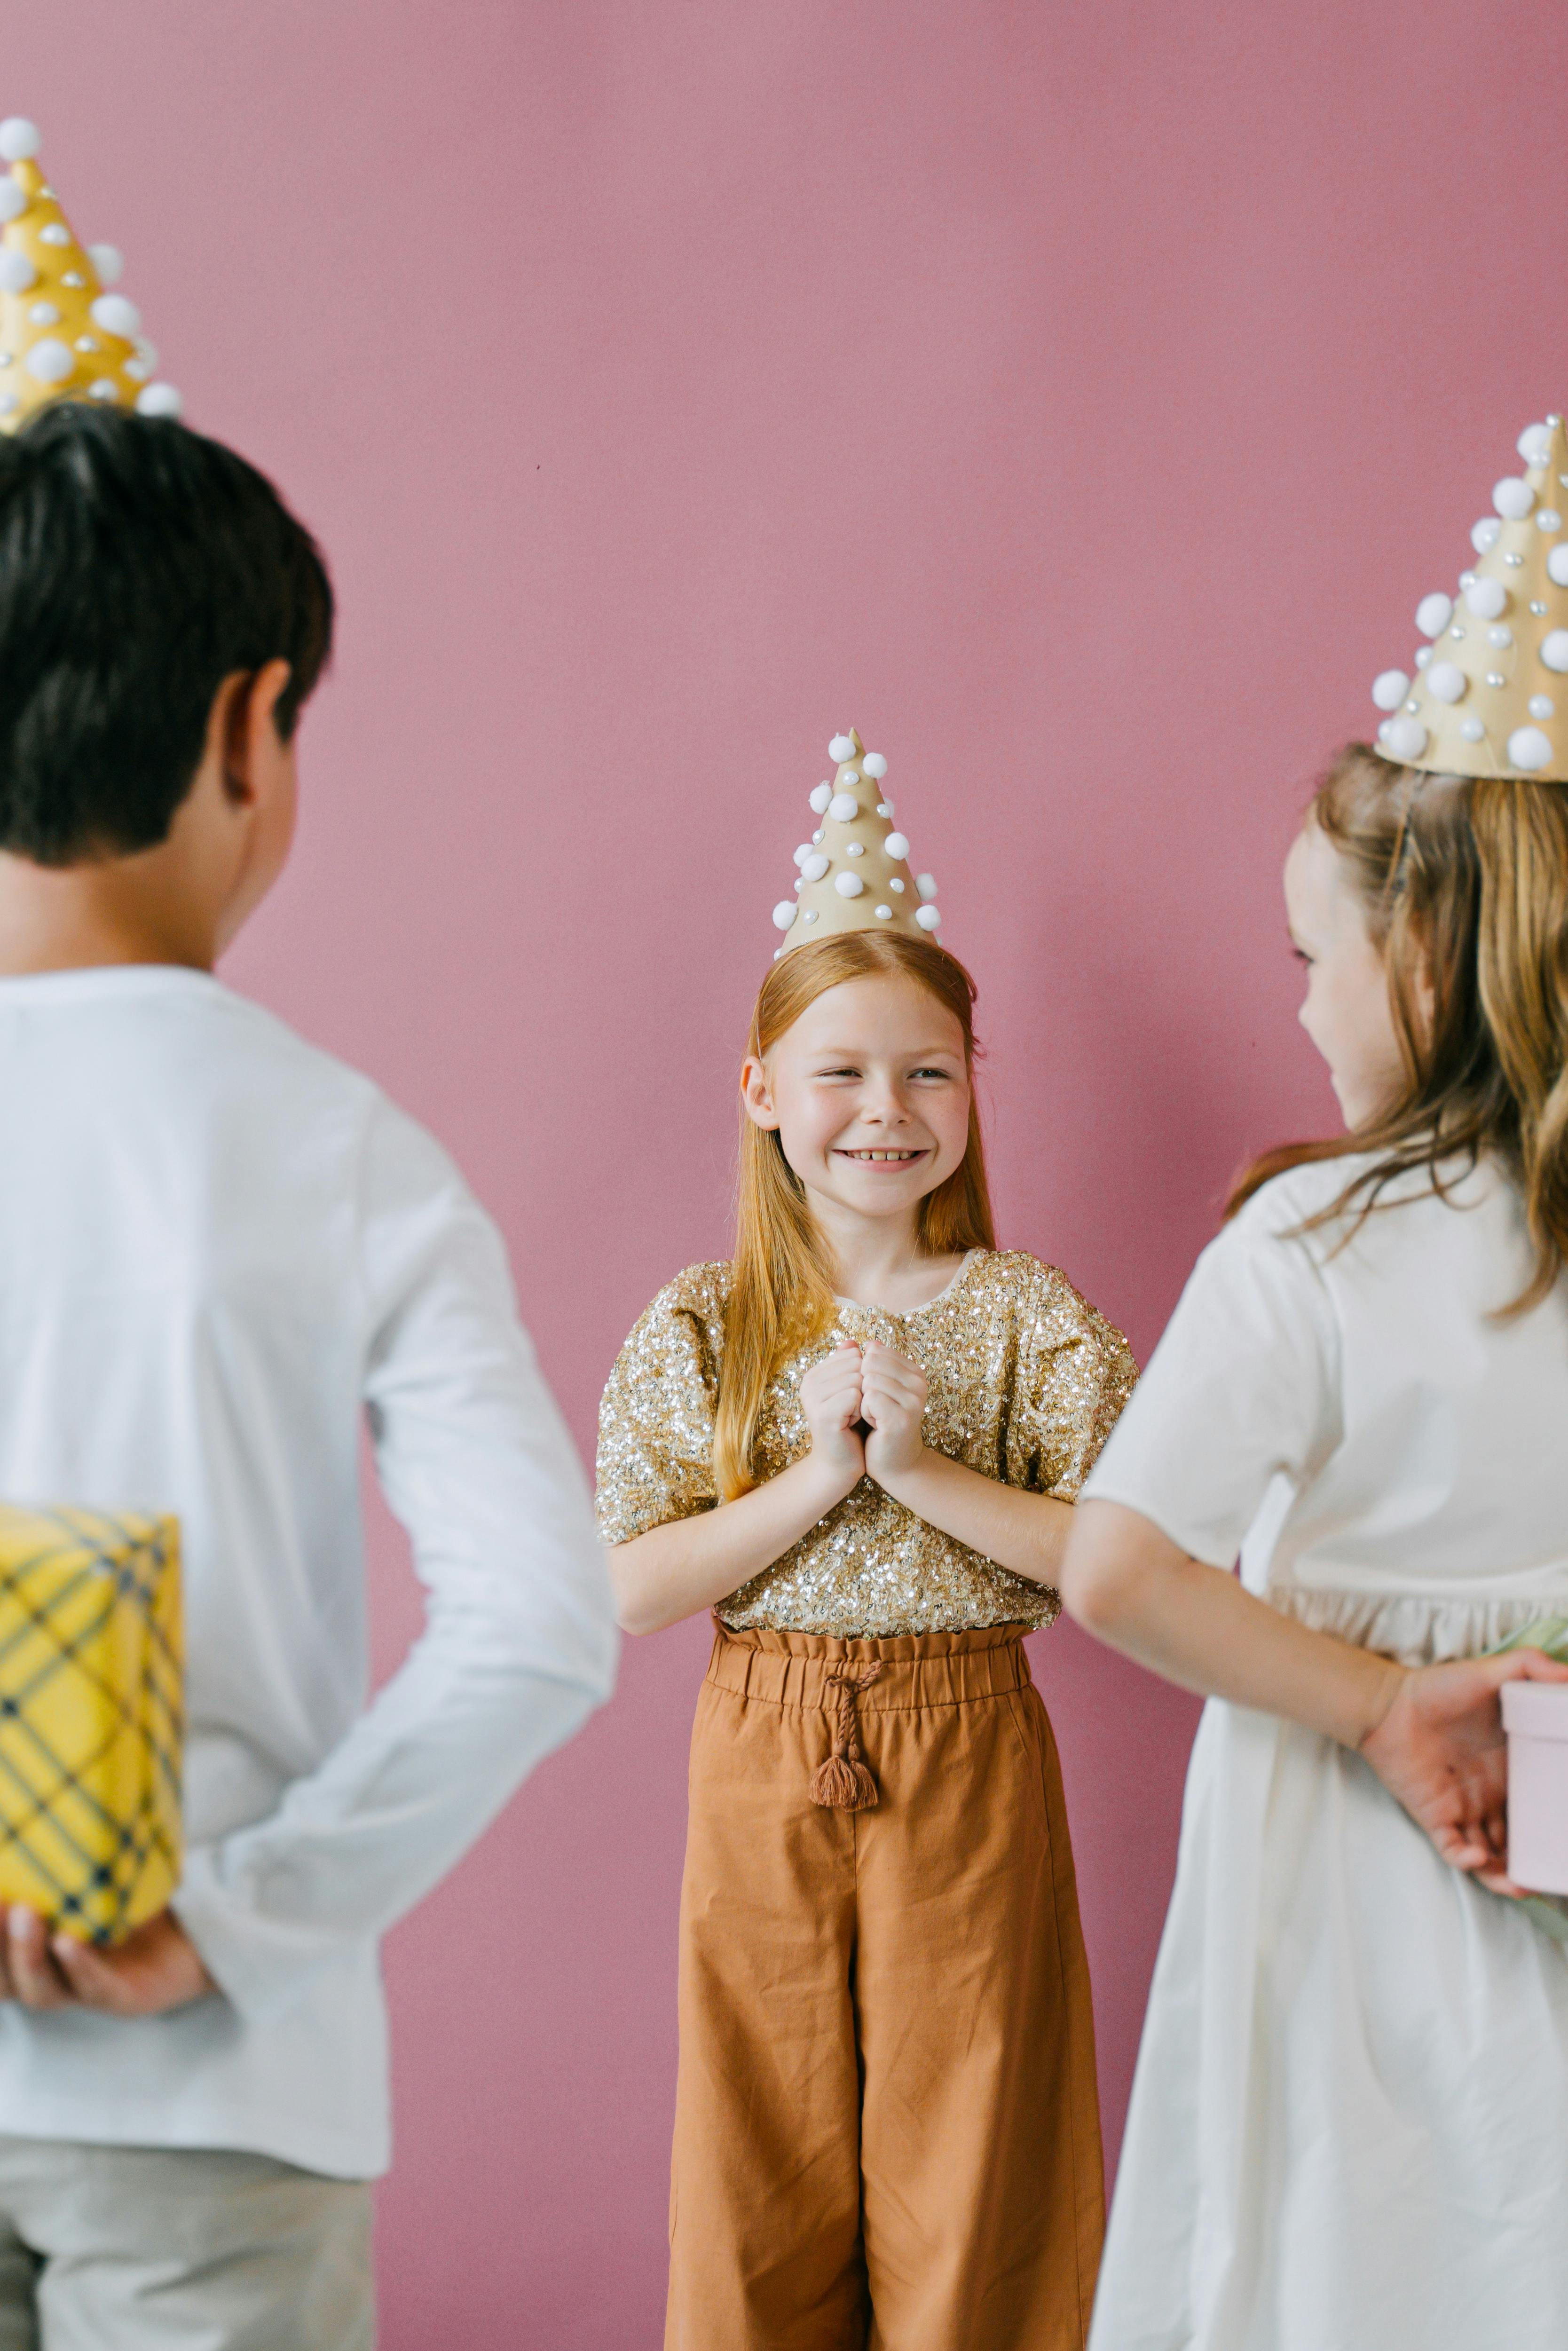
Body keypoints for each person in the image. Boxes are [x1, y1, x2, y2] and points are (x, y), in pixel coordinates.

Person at [0, 401, 616, 2349]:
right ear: (251, 725)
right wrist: (238, 1915)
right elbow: (538, 1622)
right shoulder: (344, 1153)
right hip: (217, 2092)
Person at [1063, 413, 1568, 2351]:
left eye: (1311, 955)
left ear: (1424, 948)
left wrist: (1375, 1702)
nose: (1294, 1002)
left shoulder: (1318, 1243)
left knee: (1355, 2223)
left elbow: (1119, 1563)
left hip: (1364, 1831)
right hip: (1555, 1785)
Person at [597, 731, 1135, 2351]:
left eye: (927, 1072)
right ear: (762, 1090)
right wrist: (816, 1485)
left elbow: (1118, 1559)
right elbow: (631, 1589)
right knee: (756, 2148)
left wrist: (917, 1468)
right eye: (840, 1071)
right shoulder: (704, 1325)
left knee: (976, 2142)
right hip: (763, 1742)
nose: (884, 1112)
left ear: (974, 1088)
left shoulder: (1028, 1318)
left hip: (968, 1741)